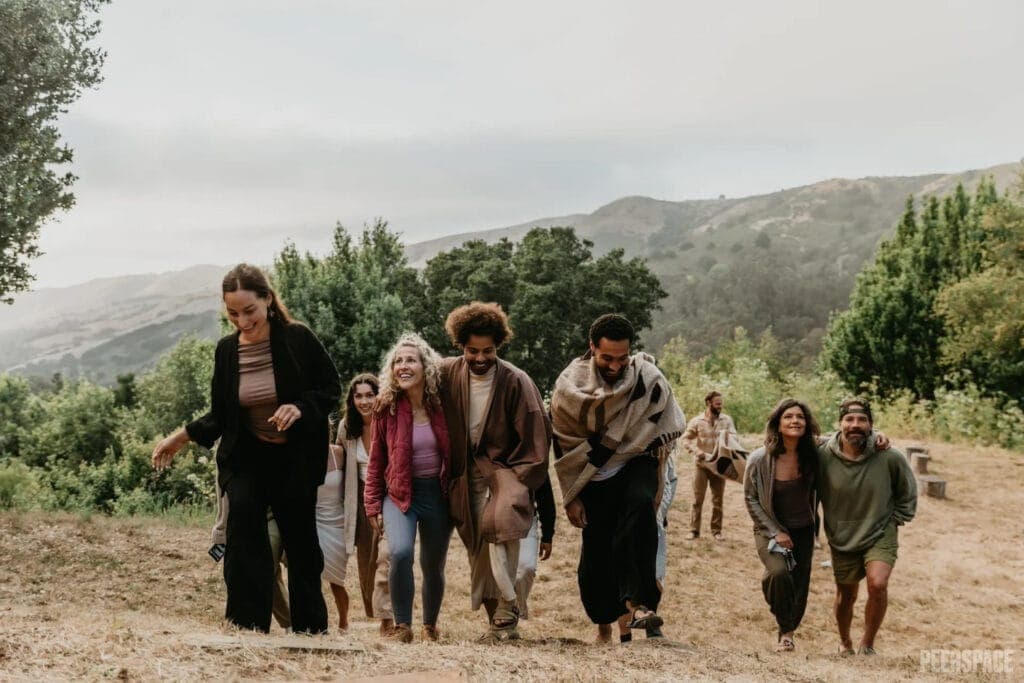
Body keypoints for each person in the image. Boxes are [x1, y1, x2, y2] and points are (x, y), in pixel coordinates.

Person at [152, 263, 340, 633]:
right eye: (232, 313)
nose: (242, 320)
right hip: (248, 458)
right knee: (243, 537)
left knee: (301, 544)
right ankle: (246, 626)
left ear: (268, 300)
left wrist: (300, 407)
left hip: (294, 460)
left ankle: (309, 630)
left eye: (249, 310)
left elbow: (330, 389)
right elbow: (222, 414)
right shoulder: (227, 351)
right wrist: (181, 437)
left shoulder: (298, 338)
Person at [551, 314, 686, 640]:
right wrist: (572, 496)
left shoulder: (648, 378)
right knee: (597, 553)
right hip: (592, 476)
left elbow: (662, 419)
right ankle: (605, 625)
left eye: (622, 358)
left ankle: (639, 605)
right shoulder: (570, 387)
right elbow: (563, 444)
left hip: (637, 462)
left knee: (639, 513)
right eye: (607, 358)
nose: (615, 365)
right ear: (592, 348)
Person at [439, 302, 551, 642]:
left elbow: (536, 436)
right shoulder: (446, 374)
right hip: (465, 477)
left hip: (506, 475)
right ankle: (499, 626)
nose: (480, 358)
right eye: (473, 351)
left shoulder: (517, 380)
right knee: (480, 554)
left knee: (508, 541)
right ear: (461, 345)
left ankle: (509, 609)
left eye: (488, 351)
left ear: (498, 345)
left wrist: (516, 480)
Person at [364, 333, 453, 644]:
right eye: (398, 361)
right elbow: (376, 460)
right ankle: (403, 625)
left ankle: (430, 625)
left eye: (410, 360)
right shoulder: (385, 407)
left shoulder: (443, 405)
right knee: (400, 553)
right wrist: (372, 504)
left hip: (438, 496)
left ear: (424, 366)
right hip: (399, 494)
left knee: (433, 564)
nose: (403, 365)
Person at [817, 397, 917, 656]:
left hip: (880, 530)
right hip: (842, 534)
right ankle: (845, 641)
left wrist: (896, 519)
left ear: (871, 425)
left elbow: (907, 490)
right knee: (846, 595)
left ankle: (868, 643)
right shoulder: (823, 455)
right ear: (839, 424)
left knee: (877, 584)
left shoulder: (889, 455)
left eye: (862, 420)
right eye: (849, 419)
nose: (855, 425)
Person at [743, 398, 820, 652]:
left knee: (798, 582)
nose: (795, 421)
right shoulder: (759, 458)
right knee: (778, 574)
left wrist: (877, 436)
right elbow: (751, 498)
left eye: (800, 417)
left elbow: (844, 439)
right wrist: (776, 531)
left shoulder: (814, 454)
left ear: (807, 424)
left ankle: (787, 634)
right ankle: (777, 600)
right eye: (788, 417)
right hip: (770, 528)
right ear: (778, 423)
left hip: (804, 528)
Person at [332, 373, 394, 635]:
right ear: (352, 399)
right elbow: (337, 462)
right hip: (357, 498)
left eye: (370, 394)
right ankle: (376, 610)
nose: (364, 401)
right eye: (358, 396)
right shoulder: (347, 427)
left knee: (387, 556)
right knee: (367, 561)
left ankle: (388, 618)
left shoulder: (390, 421)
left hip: (389, 496)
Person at [210, 483, 291, 630]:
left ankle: (281, 622)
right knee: (246, 571)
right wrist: (221, 527)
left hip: (273, 512)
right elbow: (223, 488)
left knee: (265, 568)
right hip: (245, 513)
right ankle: (289, 621)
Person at [682, 391, 737, 541]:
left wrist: (728, 444)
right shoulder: (696, 421)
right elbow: (685, 440)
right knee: (697, 499)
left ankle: (716, 531)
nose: (720, 406)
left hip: (719, 466)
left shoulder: (727, 420)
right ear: (708, 403)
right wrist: (695, 450)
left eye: (721, 404)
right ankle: (694, 531)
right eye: (717, 404)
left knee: (718, 499)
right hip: (701, 465)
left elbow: (734, 437)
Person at [514, 473, 556, 620]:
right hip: (495, 517)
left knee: (526, 568)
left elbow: (545, 494)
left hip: (526, 518)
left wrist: (547, 534)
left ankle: (517, 608)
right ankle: (506, 615)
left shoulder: (534, 455)